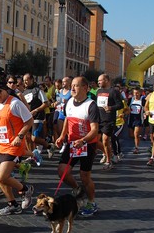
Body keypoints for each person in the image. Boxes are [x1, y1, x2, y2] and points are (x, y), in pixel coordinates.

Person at [0, 76, 35, 215]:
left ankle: (25, 189)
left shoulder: (15, 103)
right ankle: (13, 204)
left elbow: (29, 121)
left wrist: (20, 136)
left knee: (2, 177)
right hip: (1, 145)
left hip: (13, 146)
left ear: (5, 90)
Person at [55, 76, 100, 217]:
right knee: (62, 171)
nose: (72, 88)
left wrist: (83, 140)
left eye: (76, 86)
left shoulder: (91, 105)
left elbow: (94, 130)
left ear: (85, 88)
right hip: (72, 143)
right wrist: (62, 136)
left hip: (87, 145)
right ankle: (78, 190)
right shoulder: (69, 102)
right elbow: (68, 119)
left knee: (85, 176)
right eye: (72, 85)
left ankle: (91, 202)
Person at [95, 74, 124, 170]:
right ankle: (108, 153)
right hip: (99, 119)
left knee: (105, 140)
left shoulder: (114, 91)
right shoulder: (98, 91)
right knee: (95, 141)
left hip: (109, 120)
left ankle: (108, 161)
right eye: (98, 80)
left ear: (107, 80)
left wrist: (111, 108)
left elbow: (120, 105)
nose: (98, 82)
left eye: (100, 80)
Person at [22, 73, 50, 161]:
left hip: (37, 116)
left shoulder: (38, 91)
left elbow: (46, 103)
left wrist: (36, 110)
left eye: (26, 79)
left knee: (34, 138)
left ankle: (49, 145)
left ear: (32, 80)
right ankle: (32, 155)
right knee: (27, 137)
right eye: (24, 80)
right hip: (27, 117)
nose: (25, 82)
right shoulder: (24, 92)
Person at [127, 87, 145, 154]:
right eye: (134, 93)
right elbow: (126, 108)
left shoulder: (142, 100)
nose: (136, 94)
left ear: (140, 93)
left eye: (137, 93)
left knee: (136, 134)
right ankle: (137, 138)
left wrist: (145, 113)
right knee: (131, 135)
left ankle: (136, 148)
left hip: (139, 119)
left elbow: (146, 107)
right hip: (131, 118)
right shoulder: (130, 100)